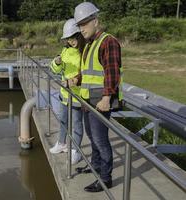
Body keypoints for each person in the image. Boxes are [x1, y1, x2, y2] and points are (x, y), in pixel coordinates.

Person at [74, 2, 123, 192]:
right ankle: (95, 166)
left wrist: (106, 97)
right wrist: (76, 79)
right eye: (79, 24)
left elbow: (112, 72)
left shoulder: (107, 41)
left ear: (96, 21)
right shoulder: (89, 45)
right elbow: (87, 73)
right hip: (88, 101)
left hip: (100, 102)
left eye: (85, 23)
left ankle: (105, 179)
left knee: (101, 141)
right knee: (92, 137)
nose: (82, 28)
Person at [49, 18, 85, 165]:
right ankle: (61, 143)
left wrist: (73, 81)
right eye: (69, 38)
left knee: (77, 123)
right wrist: (57, 62)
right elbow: (55, 69)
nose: (71, 41)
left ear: (80, 34)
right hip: (64, 93)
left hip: (77, 94)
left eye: (74, 37)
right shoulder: (65, 50)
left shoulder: (85, 51)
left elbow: (85, 73)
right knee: (63, 119)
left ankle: (76, 152)